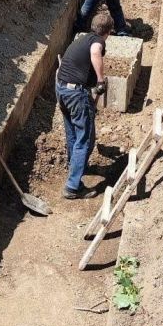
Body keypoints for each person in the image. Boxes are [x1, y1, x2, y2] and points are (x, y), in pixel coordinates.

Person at [55, 12, 113, 199]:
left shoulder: (83, 38)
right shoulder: (97, 41)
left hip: (61, 88)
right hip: (75, 94)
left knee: (72, 132)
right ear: (108, 32)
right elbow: (96, 51)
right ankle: (73, 187)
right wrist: (100, 80)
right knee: (84, 138)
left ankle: (77, 166)